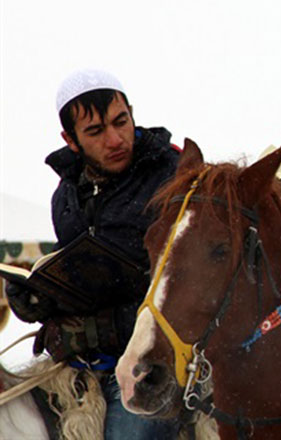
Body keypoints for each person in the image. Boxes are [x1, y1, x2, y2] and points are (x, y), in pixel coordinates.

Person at [5, 69, 181, 439]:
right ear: (71, 140)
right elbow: (84, 280)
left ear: (133, 114)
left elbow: (190, 292)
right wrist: (39, 300)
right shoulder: (65, 197)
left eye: (121, 122)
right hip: (88, 362)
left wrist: (103, 328)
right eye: (96, 131)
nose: (115, 139)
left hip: (158, 363)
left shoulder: (174, 176)